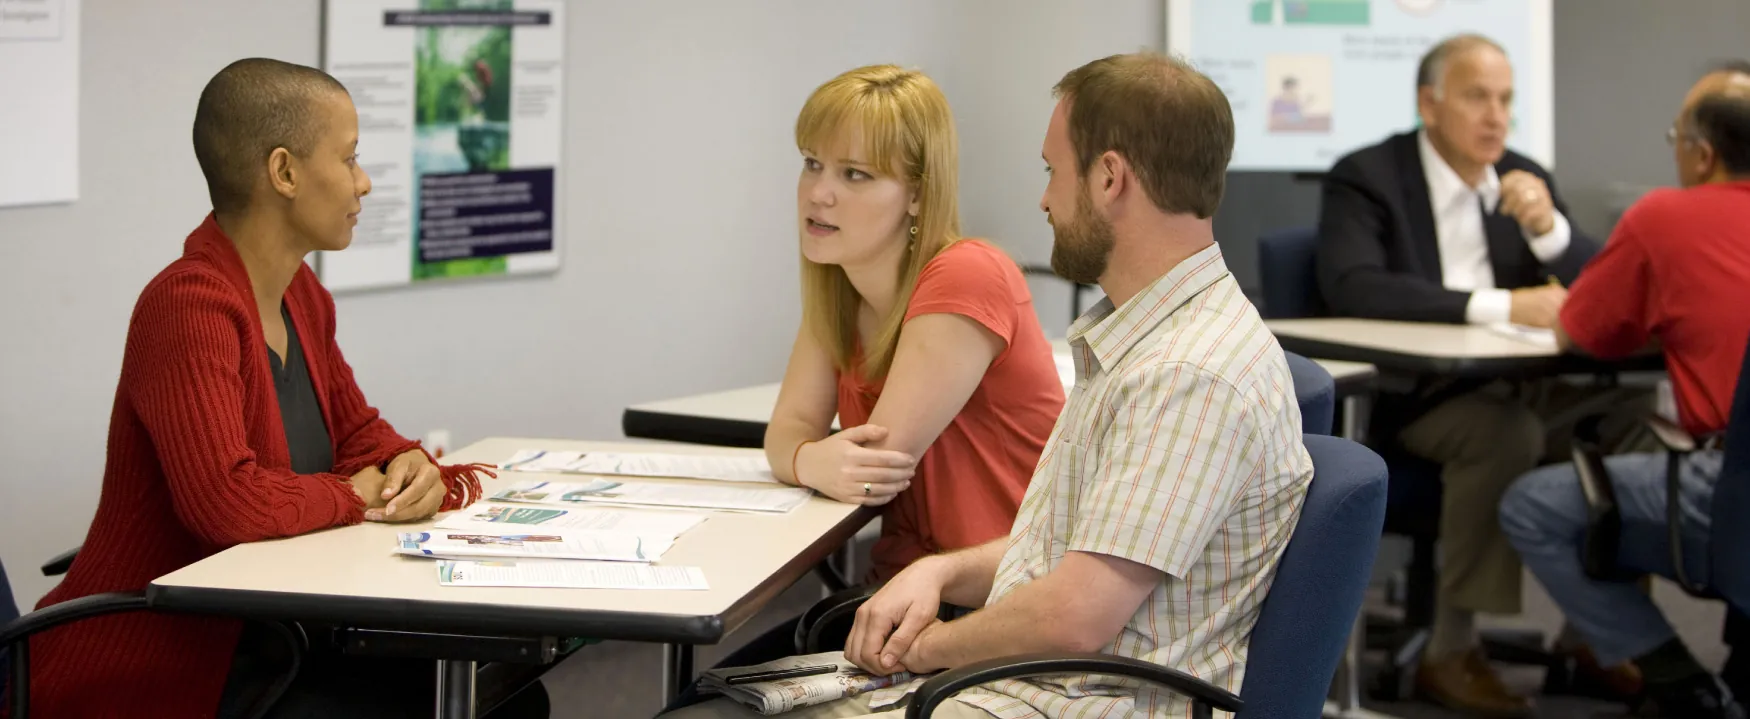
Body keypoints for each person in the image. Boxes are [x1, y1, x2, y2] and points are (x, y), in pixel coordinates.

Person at [666, 50, 1312, 719]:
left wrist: (931, 645)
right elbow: (1070, 555)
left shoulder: (1187, 374)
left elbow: (1075, 615)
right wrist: (939, 570)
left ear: (1110, 178)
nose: (1043, 198)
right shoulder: (1145, 342)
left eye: (1051, 171)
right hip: (1035, 669)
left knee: (708, 711)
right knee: (713, 703)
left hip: (1071, 692)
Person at [19, 59, 530, 718]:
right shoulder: (187, 305)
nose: (364, 181)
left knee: (507, 692)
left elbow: (356, 431)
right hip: (163, 663)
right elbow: (226, 502)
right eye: (348, 158)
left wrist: (409, 465)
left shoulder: (301, 296)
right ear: (285, 172)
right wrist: (354, 491)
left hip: (274, 634)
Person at [1315, 33, 1639, 715]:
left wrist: (1550, 232)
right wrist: (1500, 303)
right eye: (1476, 97)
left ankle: (1596, 637)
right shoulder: (1367, 175)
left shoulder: (1522, 176)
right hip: (1419, 398)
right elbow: (1354, 286)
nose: (1495, 116)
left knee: (1631, 423)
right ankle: (1451, 649)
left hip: (1523, 383)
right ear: (1429, 105)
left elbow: (1609, 292)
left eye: (1506, 100)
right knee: (1502, 433)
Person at [1501, 63, 1750, 719]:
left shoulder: (1666, 216)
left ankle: (1678, 680)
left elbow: (1584, 331)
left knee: (1532, 506)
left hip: (1729, 490)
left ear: (1700, 153)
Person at [766, 65, 1065, 582]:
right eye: (812, 164)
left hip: (1006, 598)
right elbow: (786, 433)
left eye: (854, 173)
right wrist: (806, 461)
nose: (819, 193)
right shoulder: (838, 289)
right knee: (733, 663)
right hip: (908, 589)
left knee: (732, 664)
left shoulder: (966, 273)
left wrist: (804, 455)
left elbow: (873, 466)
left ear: (919, 195)